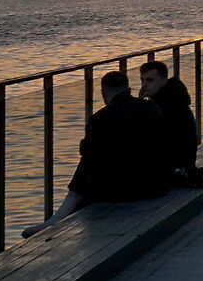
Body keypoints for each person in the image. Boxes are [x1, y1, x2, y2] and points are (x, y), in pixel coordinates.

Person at [31, 70, 171, 232]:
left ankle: (59, 216)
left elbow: (88, 153)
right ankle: (61, 214)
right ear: (128, 88)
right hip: (156, 184)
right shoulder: (152, 108)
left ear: (104, 93)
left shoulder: (100, 118)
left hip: (120, 190)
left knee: (89, 162)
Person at [138, 61, 203, 187]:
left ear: (163, 81)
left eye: (150, 80)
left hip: (172, 169)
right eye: (143, 80)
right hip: (180, 166)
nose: (144, 85)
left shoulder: (165, 107)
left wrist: (141, 107)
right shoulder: (173, 99)